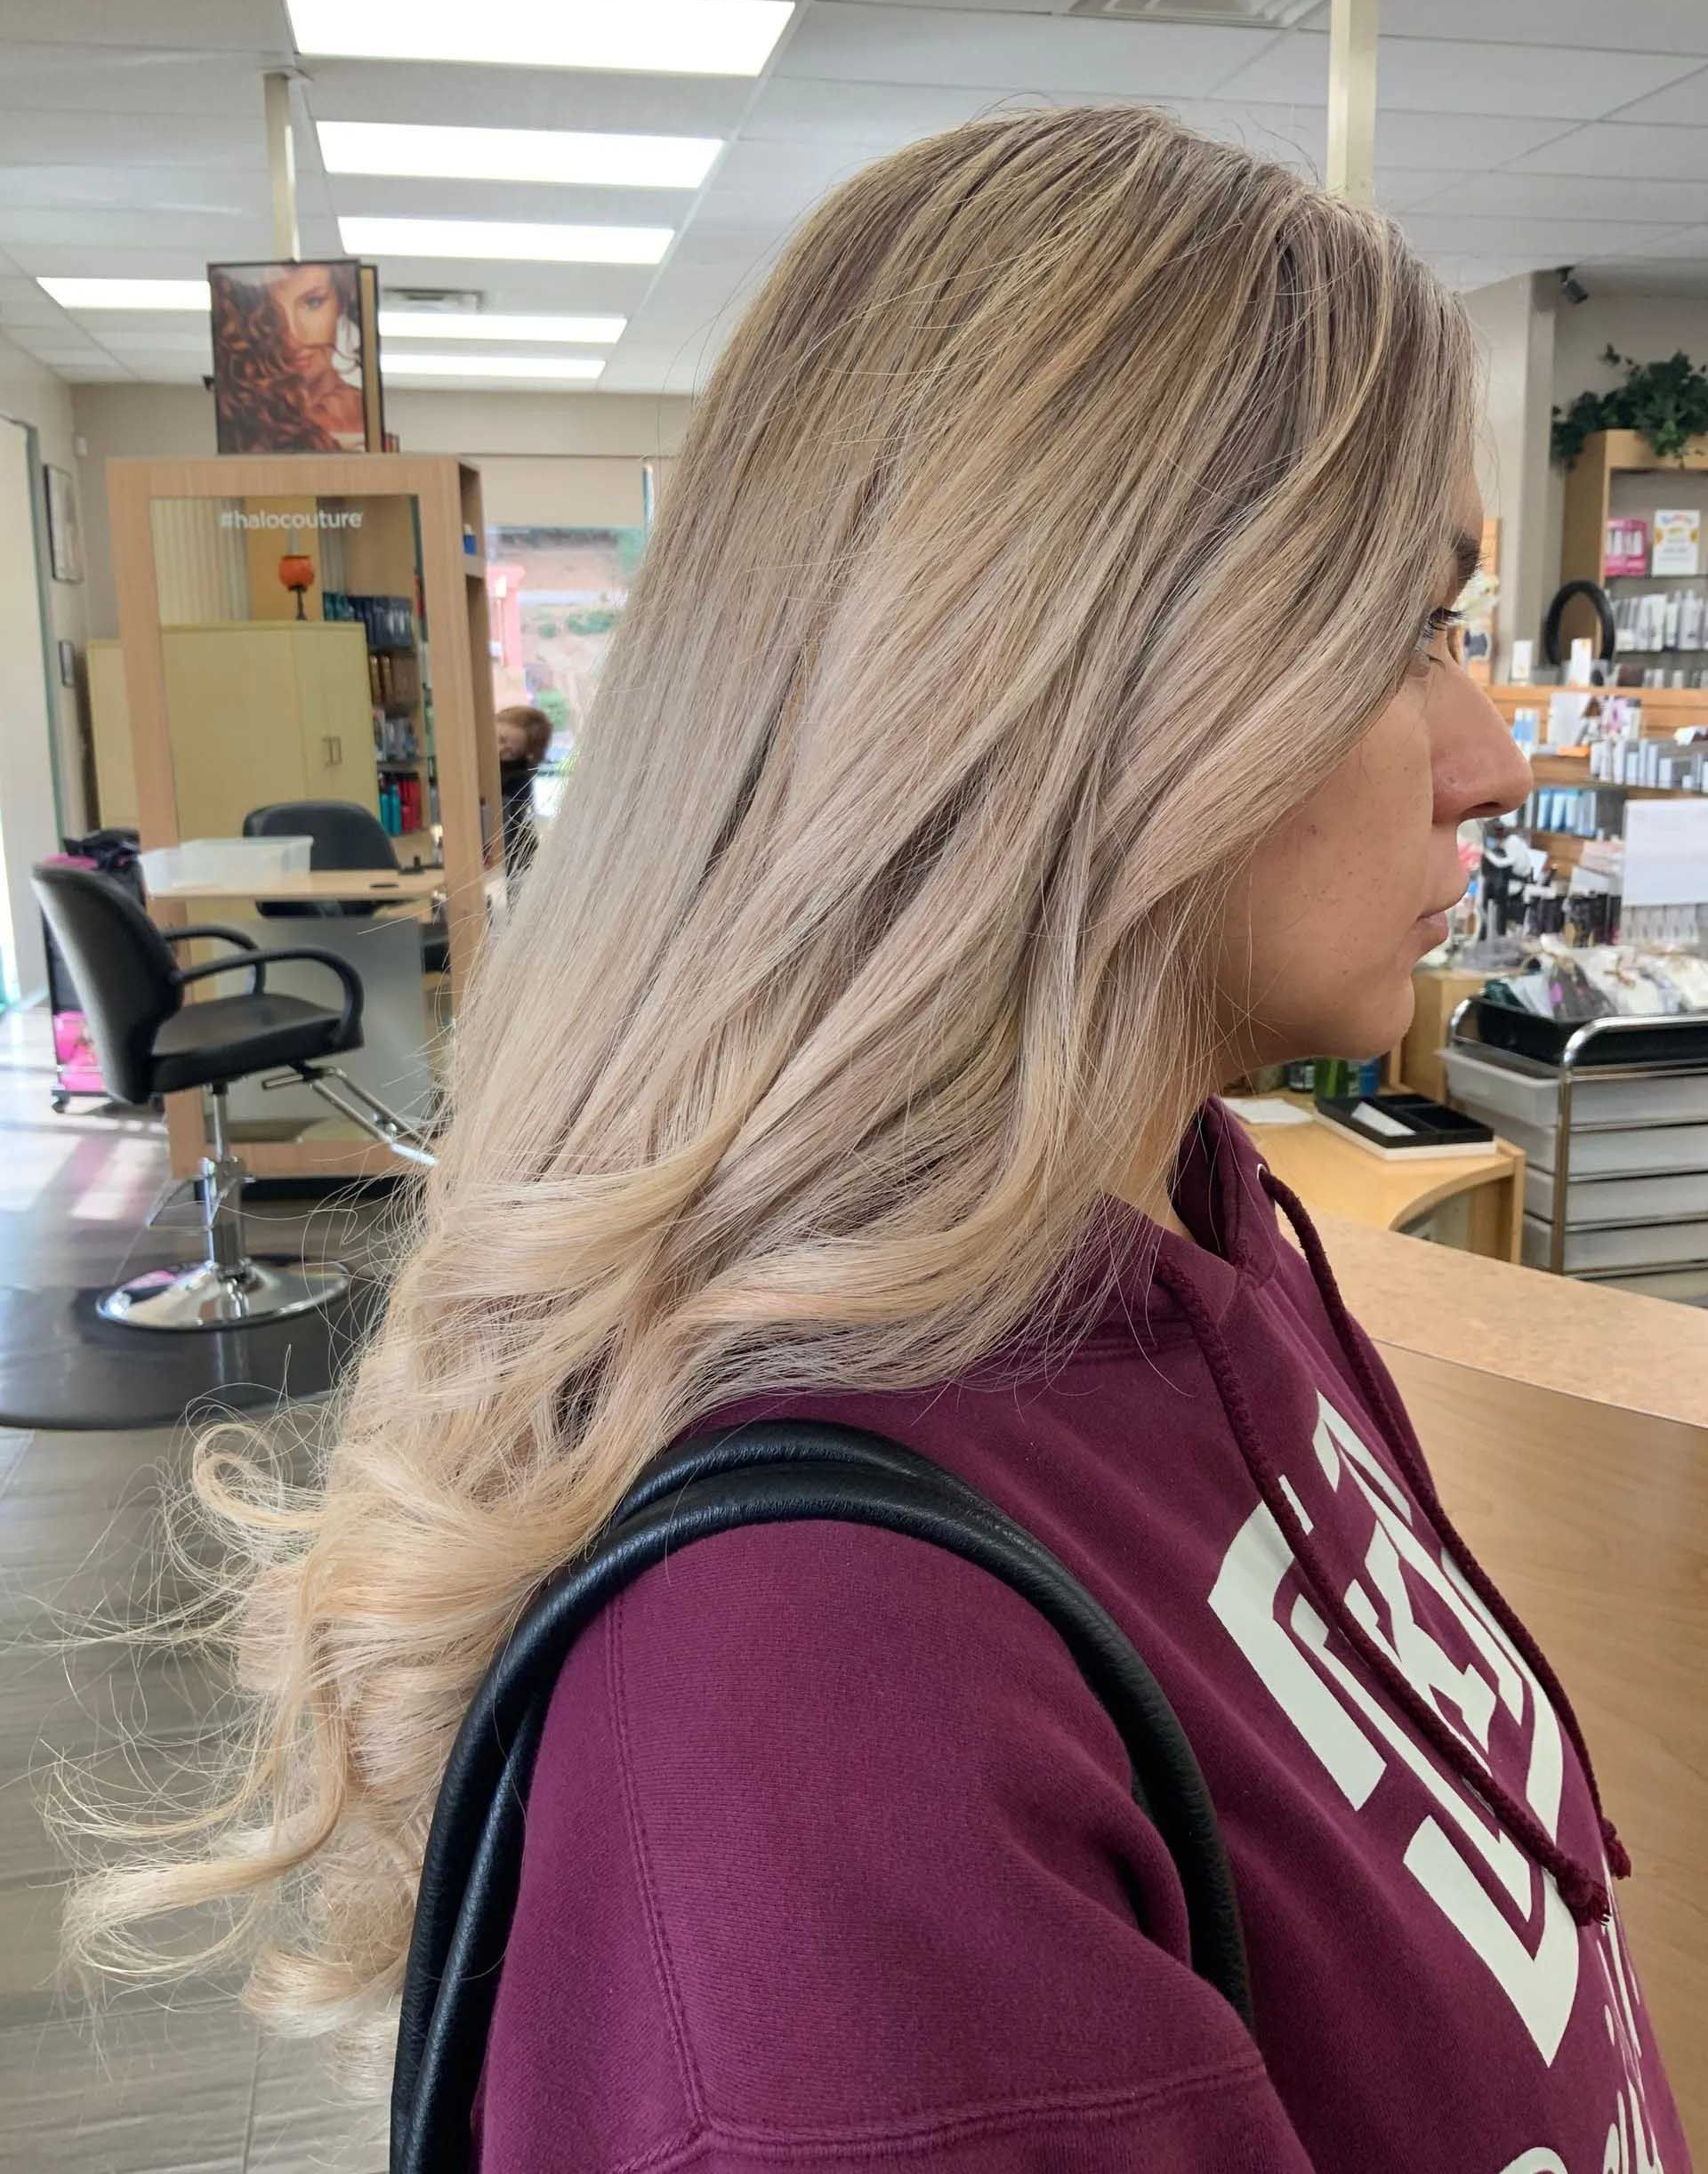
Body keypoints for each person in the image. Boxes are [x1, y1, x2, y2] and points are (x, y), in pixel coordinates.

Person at [68, 109, 1686, 2170]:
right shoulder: (820, 1699)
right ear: (1073, 679)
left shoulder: (1203, 1225)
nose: (1484, 756)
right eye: (1402, 626)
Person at [211, 260, 367, 454]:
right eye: (271, 314)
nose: (293, 336)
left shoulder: (367, 414)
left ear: (340, 303)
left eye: (313, 302)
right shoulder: (246, 424)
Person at [495, 703, 552, 882]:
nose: (500, 750)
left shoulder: (516, 780)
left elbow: (511, 830)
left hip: (511, 860)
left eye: (511, 753)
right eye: (501, 739)